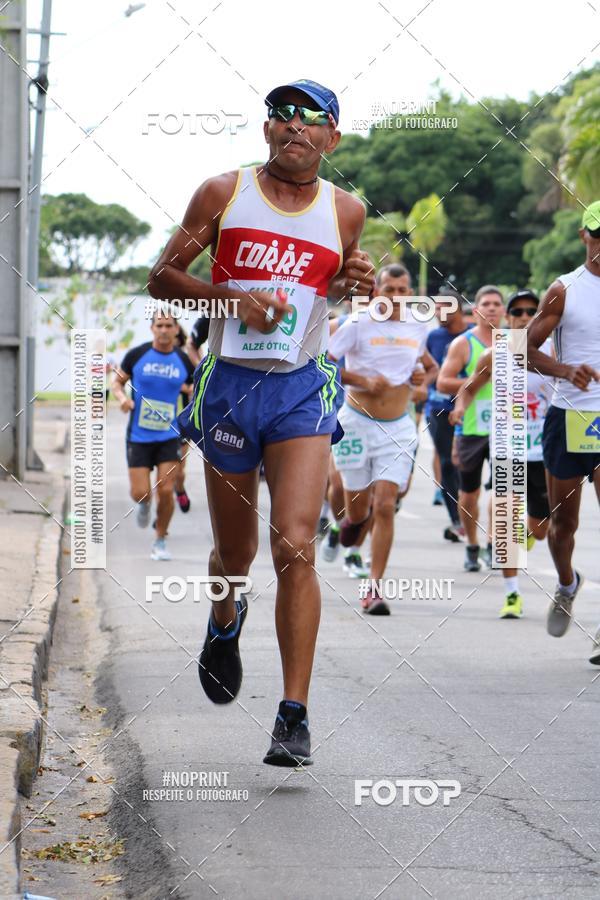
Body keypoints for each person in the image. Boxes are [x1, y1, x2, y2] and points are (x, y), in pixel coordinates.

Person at [148, 79, 375, 765]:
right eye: (282, 115)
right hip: (231, 388)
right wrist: (231, 297)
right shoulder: (224, 193)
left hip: (302, 389)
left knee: (297, 545)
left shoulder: (346, 210)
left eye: (311, 118)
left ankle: (293, 714)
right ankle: (224, 617)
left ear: (332, 137)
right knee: (237, 556)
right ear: (267, 130)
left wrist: (348, 285)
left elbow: (323, 295)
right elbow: (161, 276)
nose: (295, 126)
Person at [328, 263, 438, 615]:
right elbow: (324, 362)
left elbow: (430, 368)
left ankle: (373, 588)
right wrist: (358, 377)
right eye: (390, 289)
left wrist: (422, 385)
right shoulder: (358, 323)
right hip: (356, 423)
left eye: (403, 290)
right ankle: (347, 524)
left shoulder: (418, 326)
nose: (397, 297)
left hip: (398, 427)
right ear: (377, 292)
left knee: (386, 505)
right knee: (358, 511)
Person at [526, 201, 600, 656]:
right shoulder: (564, 290)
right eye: (598, 235)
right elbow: (526, 349)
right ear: (583, 235)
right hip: (570, 416)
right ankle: (567, 583)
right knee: (562, 524)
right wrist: (564, 369)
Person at [451, 289, 552, 617]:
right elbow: (469, 388)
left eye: (531, 312)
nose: (524, 317)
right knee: (506, 521)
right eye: (518, 312)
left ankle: (528, 537)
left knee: (541, 528)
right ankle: (511, 595)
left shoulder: (553, 353)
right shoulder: (494, 354)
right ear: (508, 318)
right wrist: (460, 408)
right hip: (508, 448)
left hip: (545, 452)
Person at [112, 310, 194, 560]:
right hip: (139, 436)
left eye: (169, 325)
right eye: (159, 325)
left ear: (176, 330)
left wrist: (190, 401)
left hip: (168, 436)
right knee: (140, 493)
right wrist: (123, 399)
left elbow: (194, 389)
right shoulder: (138, 355)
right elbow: (117, 382)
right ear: (152, 329)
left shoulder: (182, 359)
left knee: (166, 490)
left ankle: (160, 540)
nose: (164, 330)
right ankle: (144, 504)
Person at [437, 286, 505, 571]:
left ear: (503, 311)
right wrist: (478, 380)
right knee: (469, 493)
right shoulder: (463, 344)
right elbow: (443, 382)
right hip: (472, 428)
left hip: (506, 427)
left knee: (504, 491)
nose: (491, 308)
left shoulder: (514, 341)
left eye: (496, 304)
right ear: (475, 311)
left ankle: (494, 544)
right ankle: (472, 545)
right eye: (486, 304)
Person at [425, 292, 470, 542]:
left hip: (473, 411)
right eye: (436, 308)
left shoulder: (473, 335)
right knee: (447, 463)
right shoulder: (433, 337)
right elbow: (428, 370)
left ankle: (470, 509)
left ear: (459, 309)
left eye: (444, 307)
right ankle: (457, 521)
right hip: (440, 409)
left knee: (467, 465)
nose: (438, 312)